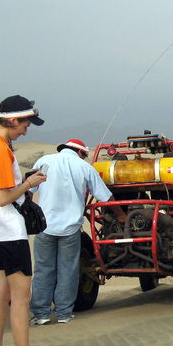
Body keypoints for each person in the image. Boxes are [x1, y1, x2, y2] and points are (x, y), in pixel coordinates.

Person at [0, 95, 60, 346]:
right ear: (12, 120)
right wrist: (29, 183)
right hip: (10, 232)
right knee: (21, 296)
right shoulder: (0, 149)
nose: (26, 130)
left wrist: (22, 184)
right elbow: (3, 197)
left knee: (1, 294)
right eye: (25, 123)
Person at [28, 139, 126, 325]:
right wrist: (121, 215)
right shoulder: (84, 167)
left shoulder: (44, 162)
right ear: (81, 153)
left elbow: (29, 189)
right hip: (70, 229)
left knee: (43, 270)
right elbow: (104, 195)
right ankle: (64, 314)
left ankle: (41, 314)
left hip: (44, 226)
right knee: (68, 270)